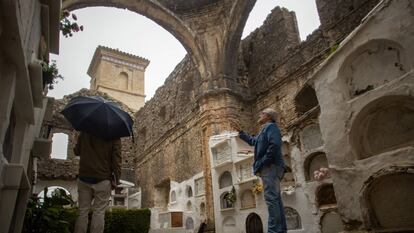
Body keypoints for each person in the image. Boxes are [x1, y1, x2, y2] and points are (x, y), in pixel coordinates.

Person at [231, 108, 287, 233]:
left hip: (270, 167)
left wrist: (263, 162)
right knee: (275, 200)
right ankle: (281, 230)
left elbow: (275, 145)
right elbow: (253, 142)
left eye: (262, 113)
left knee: (271, 199)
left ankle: (274, 231)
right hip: (270, 167)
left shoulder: (271, 127)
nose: (259, 115)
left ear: (268, 116)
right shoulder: (264, 130)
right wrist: (240, 131)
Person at [73, 132, 122, 233]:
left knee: (82, 211)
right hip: (103, 178)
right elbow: (116, 159)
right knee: (99, 212)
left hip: (84, 176)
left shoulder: (85, 131)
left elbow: (76, 151)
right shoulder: (114, 135)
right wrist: (117, 179)